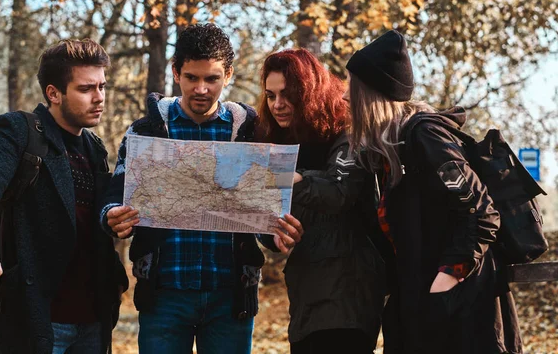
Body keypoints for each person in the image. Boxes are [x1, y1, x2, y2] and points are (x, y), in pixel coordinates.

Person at [99, 22, 303, 354]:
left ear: (229, 75)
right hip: (164, 294)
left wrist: (277, 233)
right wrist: (111, 216)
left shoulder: (253, 131)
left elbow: (265, 214)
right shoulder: (145, 131)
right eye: (192, 77)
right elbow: (115, 194)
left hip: (230, 296)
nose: (202, 89)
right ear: (176, 72)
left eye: (212, 79)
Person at [343, 30, 522, 354]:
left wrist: (444, 283)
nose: (344, 97)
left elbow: (482, 213)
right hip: (424, 316)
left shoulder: (426, 138)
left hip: (463, 319)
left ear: (371, 94)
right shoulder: (392, 151)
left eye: (351, 87)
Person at [0, 39, 129, 354]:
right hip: (38, 318)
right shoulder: (18, 130)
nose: (99, 98)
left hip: (93, 322)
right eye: (86, 89)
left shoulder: (95, 148)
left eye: (102, 87)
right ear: (54, 93)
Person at [256, 48, 386, 354]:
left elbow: (338, 193)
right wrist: (273, 235)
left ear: (309, 91)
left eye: (287, 94)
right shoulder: (280, 140)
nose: (278, 104)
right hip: (305, 294)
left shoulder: (349, 132)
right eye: (270, 95)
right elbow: (268, 214)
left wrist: (294, 178)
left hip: (349, 296)